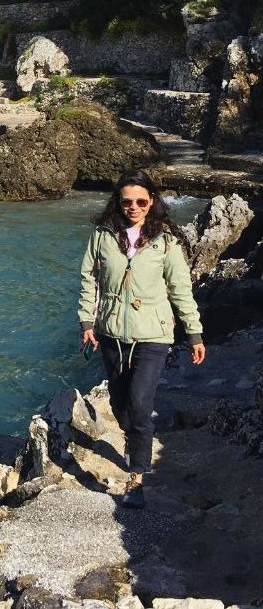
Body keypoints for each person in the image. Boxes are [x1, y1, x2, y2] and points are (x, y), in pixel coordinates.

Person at [78, 169, 205, 509]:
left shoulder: (166, 241)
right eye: (127, 201)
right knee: (120, 405)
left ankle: (137, 476)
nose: (133, 207)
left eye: (141, 201)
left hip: (153, 334)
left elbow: (180, 289)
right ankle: (136, 435)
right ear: (118, 203)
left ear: (152, 202)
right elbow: (89, 280)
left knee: (139, 404)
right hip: (111, 333)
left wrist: (193, 333)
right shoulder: (102, 235)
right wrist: (86, 322)